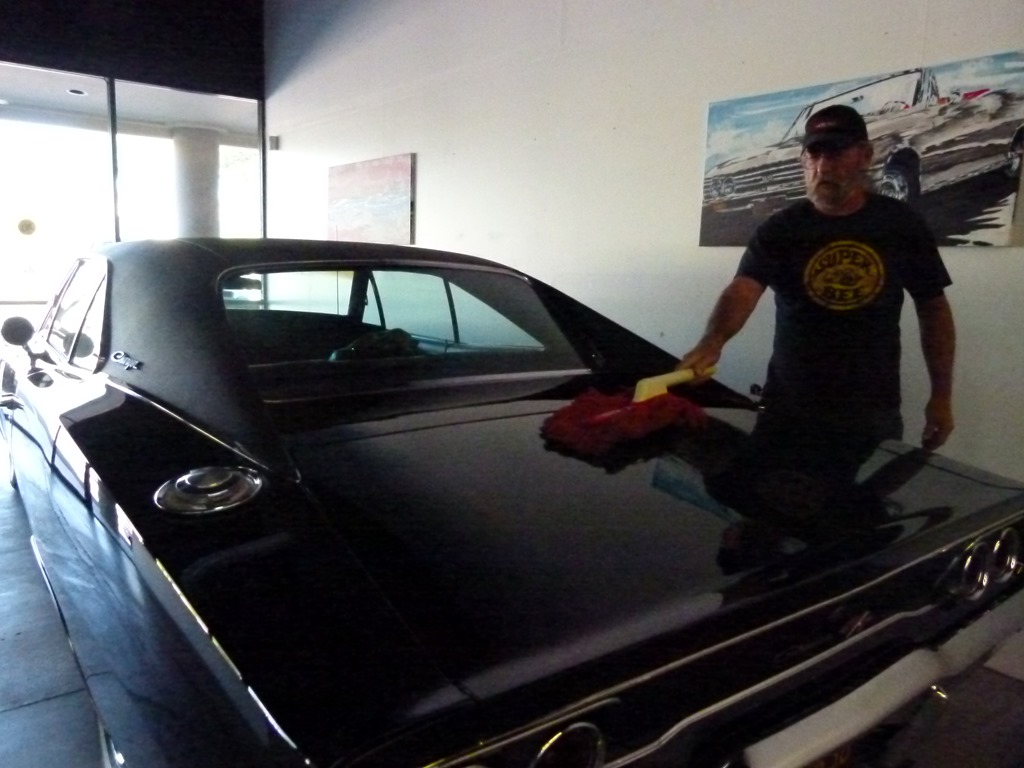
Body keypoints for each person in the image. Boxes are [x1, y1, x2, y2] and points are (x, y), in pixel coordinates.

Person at [680, 104, 956, 454]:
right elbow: (744, 288)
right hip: (787, 406)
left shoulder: (900, 224)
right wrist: (713, 341)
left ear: (865, 156)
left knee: (863, 492)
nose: (823, 166)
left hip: (871, 411)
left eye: (836, 153)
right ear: (804, 160)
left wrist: (941, 397)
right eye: (815, 154)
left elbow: (933, 309)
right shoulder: (781, 228)